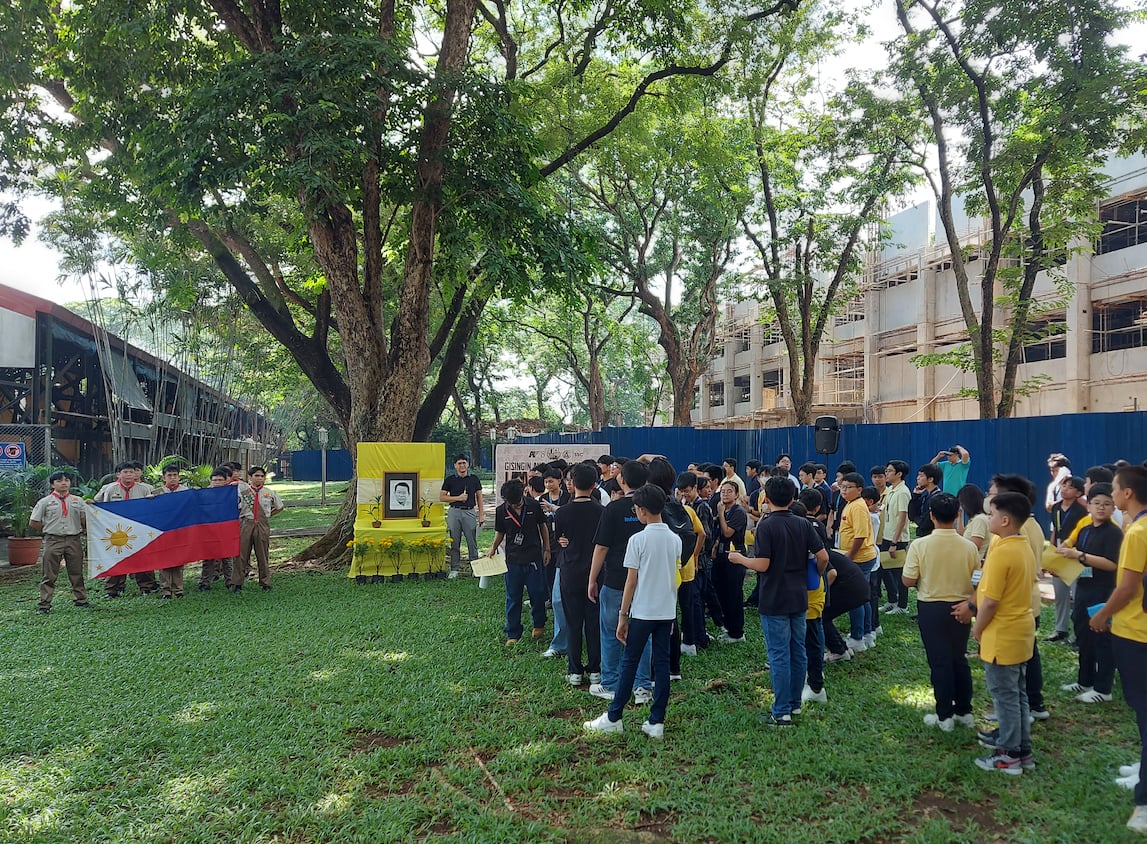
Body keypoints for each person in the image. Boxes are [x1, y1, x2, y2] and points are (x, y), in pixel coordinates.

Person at [584, 483, 682, 738]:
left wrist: (622, 615)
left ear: (641, 511)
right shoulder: (675, 539)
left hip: (642, 613)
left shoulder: (637, 540)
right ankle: (656, 721)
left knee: (629, 663)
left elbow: (631, 581)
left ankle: (614, 716)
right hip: (666, 612)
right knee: (660, 666)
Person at [730, 476, 828, 726]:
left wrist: (740, 559)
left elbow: (762, 564)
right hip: (799, 596)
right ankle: (793, 705)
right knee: (798, 650)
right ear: (794, 498)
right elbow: (823, 556)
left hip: (774, 598)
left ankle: (781, 710)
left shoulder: (767, 526)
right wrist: (814, 574)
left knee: (779, 654)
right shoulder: (804, 524)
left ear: (767, 499)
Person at [1090, 466, 1147, 831]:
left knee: (1144, 709)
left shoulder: (1137, 531)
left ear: (1127, 493)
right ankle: (1143, 769)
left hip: (1136, 632)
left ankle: (1144, 802)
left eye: (1113, 489)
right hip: (1136, 629)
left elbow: (1126, 587)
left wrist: (1103, 616)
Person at [971, 491, 1038, 775]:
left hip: (1003, 633)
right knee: (1017, 693)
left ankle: (1010, 755)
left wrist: (977, 628)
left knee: (1005, 696)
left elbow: (991, 601)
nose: (989, 518)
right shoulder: (1020, 545)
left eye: (992, 514)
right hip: (1020, 630)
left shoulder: (1004, 552)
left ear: (1006, 520)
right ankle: (1021, 749)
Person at [901, 492, 979, 731]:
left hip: (931, 608)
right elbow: (977, 580)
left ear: (931, 516)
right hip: (962, 607)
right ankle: (965, 712)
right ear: (957, 515)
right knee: (959, 658)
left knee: (940, 662)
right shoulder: (969, 546)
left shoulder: (920, 545)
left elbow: (907, 579)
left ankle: (944, 715)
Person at [588, 461, 653, 703]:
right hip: (646, 581)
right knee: (642, 631)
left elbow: (601, 547)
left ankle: (611, 683)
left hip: (616, 579)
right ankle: (642, 686)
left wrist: (592, 579)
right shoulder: (655, 508)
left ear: (622, 480)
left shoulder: (614, 509)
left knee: (609, 631)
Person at [1058, 482, 1122, 702]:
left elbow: (1112, 564)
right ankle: (1084, 680)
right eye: (1096, 504)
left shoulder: (1114, 532)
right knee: (1083, 636)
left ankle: (1103, 689)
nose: (1101, 508)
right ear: (1089, 506)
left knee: (1102, 639)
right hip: (1083, 588)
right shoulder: (1084, 530)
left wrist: (1080, 556)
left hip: (1103, 591)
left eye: (1106, 504)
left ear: (1113, 508)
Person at [554, 463, 605, 686]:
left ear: (572, 484)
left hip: (570, 573)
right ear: (595, 485)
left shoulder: (562, 512)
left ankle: (575, 671)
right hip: (596, 574)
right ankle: (595, 669)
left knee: (573, 623)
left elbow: (560, 539)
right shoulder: (602, 512)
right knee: (594, 623)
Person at [486, 478, 550, 645]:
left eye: (518, 503)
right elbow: (500, 532)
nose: (516, 506)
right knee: (513, 597)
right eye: (512, 504)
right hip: (513, 560)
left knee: (537, 594)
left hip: (533, 557)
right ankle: (513, 632)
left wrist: (547, 549)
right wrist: (493, 548)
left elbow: (543, 527)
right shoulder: (501, 511)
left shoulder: (534, 506)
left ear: (523, 493)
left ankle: (539, 624)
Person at [93, 461, 156, 597]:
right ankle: (112, 589)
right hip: (116, 530)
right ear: (118, 474)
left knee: (141, 557)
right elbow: (101, 508)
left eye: (131, 472)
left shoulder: (145, 489)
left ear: (136, 474)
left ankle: (145, 587)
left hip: (138, 529)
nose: (129, 475)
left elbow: (152, 509)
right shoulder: (110, 489)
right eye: (125, 472)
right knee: (115, 558)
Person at [31, 471, 89, 614]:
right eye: (59, 481)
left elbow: (84, 519)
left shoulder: (78, 501)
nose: (64, 483)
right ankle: (45, 604)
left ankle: (81, 599)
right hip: (53, 540)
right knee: (49, 573)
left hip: (73, 539)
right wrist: (47, 530)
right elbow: (34, 522)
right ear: (52, 484)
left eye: (66, 480)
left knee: (76, 571)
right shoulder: (45, 502)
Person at [837, 472, 879, 651]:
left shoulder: (858, 507)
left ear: (859, 490)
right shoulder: (852, 504)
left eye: (848, 487)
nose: (844, 490)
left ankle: (858, 637)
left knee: (856, 598)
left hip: (859, 558)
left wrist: (849, 557)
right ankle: (867, 632)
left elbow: (861, 536)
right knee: (862, 597)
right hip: (857, 557)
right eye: (842, 487)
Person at [1046, 476, 1087, 643]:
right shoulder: (1056, 507)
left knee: (1077, 595)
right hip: (1059, 550)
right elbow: (1055, 530)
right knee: (1060, 593)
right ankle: (1060, 628)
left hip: (1075, 552)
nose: (1064, 489)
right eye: (1063, 486)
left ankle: (1078, 632)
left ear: (1078, 493)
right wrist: (1051, 552)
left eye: (1070, 487)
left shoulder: (1081, 509)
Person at [230, 466, 284, 592]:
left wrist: (267, 515)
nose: (259, 478)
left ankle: (265, 582)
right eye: (256, 476)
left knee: (263, 554)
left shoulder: (269, 492)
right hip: (246, 523)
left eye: (261, 476)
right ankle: (237, 583)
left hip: (262, 524)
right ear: (250, 477)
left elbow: (280, 507)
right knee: (241, 554)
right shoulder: (243, 490)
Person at [711, 480, 749, 643]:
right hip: (721, 555)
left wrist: (720, 513)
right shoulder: (724, 511)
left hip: (735, 555)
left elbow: (727, 533)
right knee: (722, 592)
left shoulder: (738, 512)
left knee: (734, 594)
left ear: (736, 495)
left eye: (728, 491)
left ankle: (737, 632)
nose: (725, 494)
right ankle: (729, 627)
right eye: (722, 492)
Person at [440, 454, 484, 580]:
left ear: (468, 464)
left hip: (469, 512)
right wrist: (457, 498)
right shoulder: (450, 480)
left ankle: (475, 567)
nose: (462, 465)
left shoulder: (474, 479)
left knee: (472, 541)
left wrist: (481, 514)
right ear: (455, 466)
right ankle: (454, 568)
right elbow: (442, 497)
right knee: (454, 541)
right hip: (454, 512)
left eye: (464, 463)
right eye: (459, 463)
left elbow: (479, 497)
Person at [151, 464, 190, 599]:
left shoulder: (186, 492)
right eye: (169, 475)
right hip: (163, 532)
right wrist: (149, 501)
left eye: (175, 475)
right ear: (163, 478)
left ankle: (178, 589)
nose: (172, 478)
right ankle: (166, 590)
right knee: (164, 560)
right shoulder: (156, 493)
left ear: (179, 477)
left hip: (180, 531)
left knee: (179, 560)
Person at [880, 460, 912, 616]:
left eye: (889, 471)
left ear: (899, 474)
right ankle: (892, 600)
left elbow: (902, 518)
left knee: (899, 573)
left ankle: (903, 605)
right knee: (886, 569)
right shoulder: (891, 490)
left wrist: (894, 542)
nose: (887, 473)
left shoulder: (903, 492)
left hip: (897, 539)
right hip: (886, 535)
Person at [198, 468, 234, 590]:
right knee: (208, 557)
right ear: (211, 481)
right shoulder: (204, 494)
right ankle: (205, 583)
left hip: (226, 528)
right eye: (215, 480)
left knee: (227, 556)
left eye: (220, 480)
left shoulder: (232, 492)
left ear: (225, 481)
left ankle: (230, 582)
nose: (217, 482)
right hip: (208, 529)